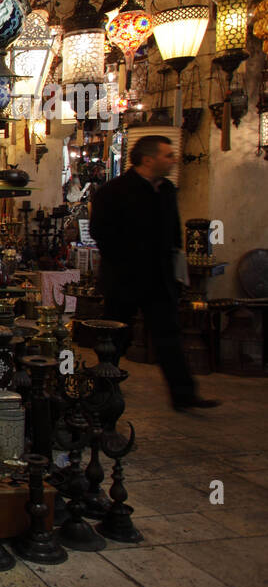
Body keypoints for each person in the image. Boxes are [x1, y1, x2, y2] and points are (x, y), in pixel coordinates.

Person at [89, 134, 217, 410]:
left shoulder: (167, 190)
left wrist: (176, 269)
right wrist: (122, 261)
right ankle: (102, 388)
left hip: (159, 278)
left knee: (168, 335)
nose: (173, 160)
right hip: (124, 277)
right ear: (148, 159)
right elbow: (100, 232)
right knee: (116, 337)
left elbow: (173, 233)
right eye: (167, 155)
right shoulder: (114, 192)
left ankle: (183, 393)